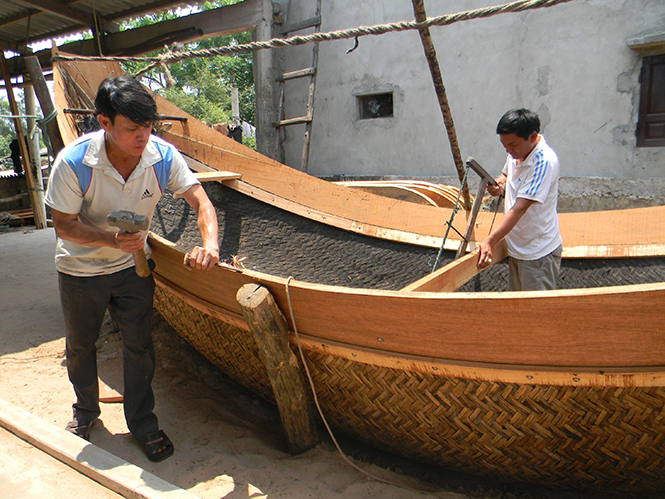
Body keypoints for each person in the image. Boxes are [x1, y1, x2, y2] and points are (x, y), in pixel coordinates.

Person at [44, 75, 220, 462]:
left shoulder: (162, 157)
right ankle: (86, 412)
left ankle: (141, 421)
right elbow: (63, 225)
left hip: (132, 269)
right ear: (104, 123)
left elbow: (201, 202)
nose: (143, 136)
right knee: (80, 346)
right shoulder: (73, 163)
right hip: (80, 269)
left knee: (139, 345)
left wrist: (209, 245)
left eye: (148, 126)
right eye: (132, 127)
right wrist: (110, 240)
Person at [475, 108, 562, 291]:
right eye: (504, 145)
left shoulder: (544, 162)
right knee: (518, 309)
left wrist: (489, 241)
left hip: (536, 254)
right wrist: (498, 183)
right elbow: (506, 174)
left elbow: (519, 208)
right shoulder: (517, 151)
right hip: (518, 247)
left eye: (512, 145)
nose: (508, 150)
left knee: (535, 314)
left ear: (532, 136)